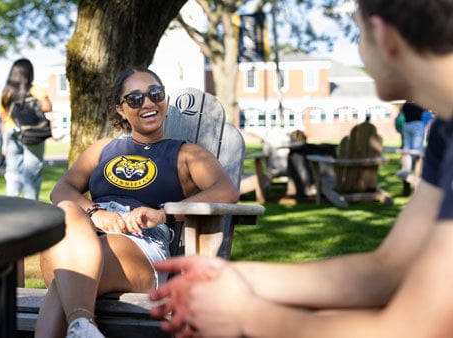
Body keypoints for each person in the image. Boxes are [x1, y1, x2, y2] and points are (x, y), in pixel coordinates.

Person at [148, 1, 453, 337]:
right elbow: (389, 268)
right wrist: (236, 277)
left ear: (384, 37)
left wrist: (246, 314)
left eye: (357, 32)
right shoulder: (445, 131)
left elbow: (413, 330)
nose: (358, 49)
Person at [34, 67, 239, 338]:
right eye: (135, 99)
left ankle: (81, 323)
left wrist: (162, 214)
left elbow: (225, 191)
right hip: (88, 235)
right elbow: (62, 190)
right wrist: (96, 213)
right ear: (121, 109)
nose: (148, 103)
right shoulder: (102, 149)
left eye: (155, 94)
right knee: (68, 211)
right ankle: (82, 326)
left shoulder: (187, 153)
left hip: (142, 243)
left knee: (67, 275)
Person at [0, 58, 52, 200]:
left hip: (11, 133)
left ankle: (12, 203)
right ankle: (31, 205)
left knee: (12, 172)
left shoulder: (6, 93)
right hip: (33, 133)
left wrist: (4, 143)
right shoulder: (35, 90)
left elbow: (4, 119)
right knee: (32, 173)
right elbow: (47, 107)